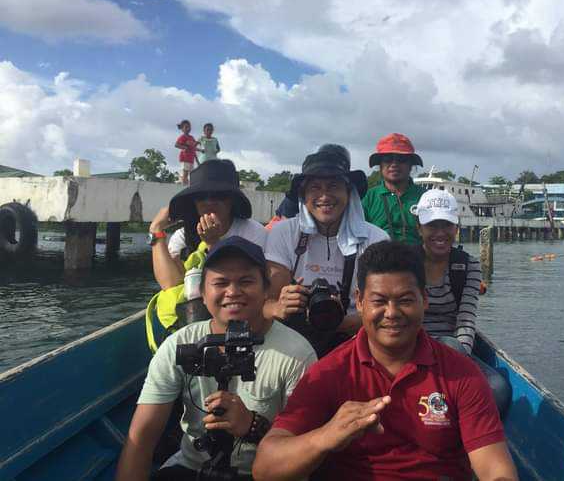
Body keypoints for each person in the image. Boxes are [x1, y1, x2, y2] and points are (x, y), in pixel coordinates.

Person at [252, 240, 517, 481]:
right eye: (379, 301)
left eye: (405, 300)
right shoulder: (330, 372)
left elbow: (496, 470)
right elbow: (265, 468)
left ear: (424, 300)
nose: (391, 313)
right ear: (360, 301)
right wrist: (326, 436)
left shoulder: (461, 373)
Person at [116, 236, 317, 481]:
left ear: (266, 290)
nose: (232, 292)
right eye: (220, 282)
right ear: (202, 292)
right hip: (193, 467)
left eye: (246, 281)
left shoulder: (297, 353)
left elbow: (306, 450)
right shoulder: (179, 344)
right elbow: (142, 438)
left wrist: (252, 426)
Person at [264, 144, 388, 354]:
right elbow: (265, 306)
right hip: (293, 340)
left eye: (333, 186)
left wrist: (338, 321)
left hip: (353, 341)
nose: (324, 196)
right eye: (315, 187)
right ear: (303, 194)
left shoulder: (376, 239)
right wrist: (280, 307)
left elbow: (385, 310)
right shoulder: (283, 233)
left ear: (349, 192)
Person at [149, 159, 267, 292]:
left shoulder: (252, 232)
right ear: (193, 202)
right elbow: (171, 286)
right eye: (201, 197)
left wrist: (213, 244)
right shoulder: (182, 236)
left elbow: (239, 286)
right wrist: (156, 230)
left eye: (219, 195)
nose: (209, 202)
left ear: (232, 200)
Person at [413, 189, 484, 355]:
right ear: (419, 228)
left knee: (497, 382)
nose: (440, 233)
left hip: (454, 348)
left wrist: (459, 360)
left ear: (456, 228)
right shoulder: (404, 263)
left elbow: (466, 320)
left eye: (447, 225)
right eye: (432, 225)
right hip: (410, 344)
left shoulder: (469, 265)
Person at [362, 133, 425, 244]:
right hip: (377, 259)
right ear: (380, 165)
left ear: (411, 165)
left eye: (401, 159)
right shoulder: (368, 198)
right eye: (387, 159)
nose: (394, 164)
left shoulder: (425, 197)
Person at [175, 119, 198, 185]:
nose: (188, 129)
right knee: (185, 172)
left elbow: (194, 148)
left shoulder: (191, 137)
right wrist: (185, 147)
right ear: (182, 129)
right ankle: (183, 185)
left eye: (189, 127)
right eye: (186, 127)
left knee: (191, 174)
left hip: (191, 159)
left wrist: (197, 159)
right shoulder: (182, 137)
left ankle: (188, 185)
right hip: (185, 157)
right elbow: (176, 145)